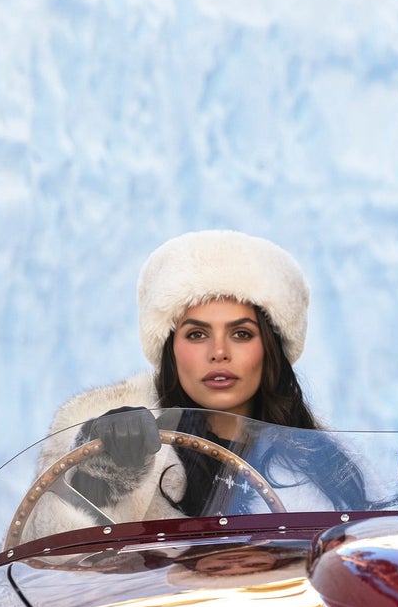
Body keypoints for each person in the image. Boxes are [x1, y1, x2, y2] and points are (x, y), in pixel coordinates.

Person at [23, 230, 375, 539]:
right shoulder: (114, 436)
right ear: (170, 349)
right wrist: (101, 473)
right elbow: (52, 564)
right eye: (196, 334)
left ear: (270, 349)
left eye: (241, 333)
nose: (218, 352)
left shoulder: (318, 462)